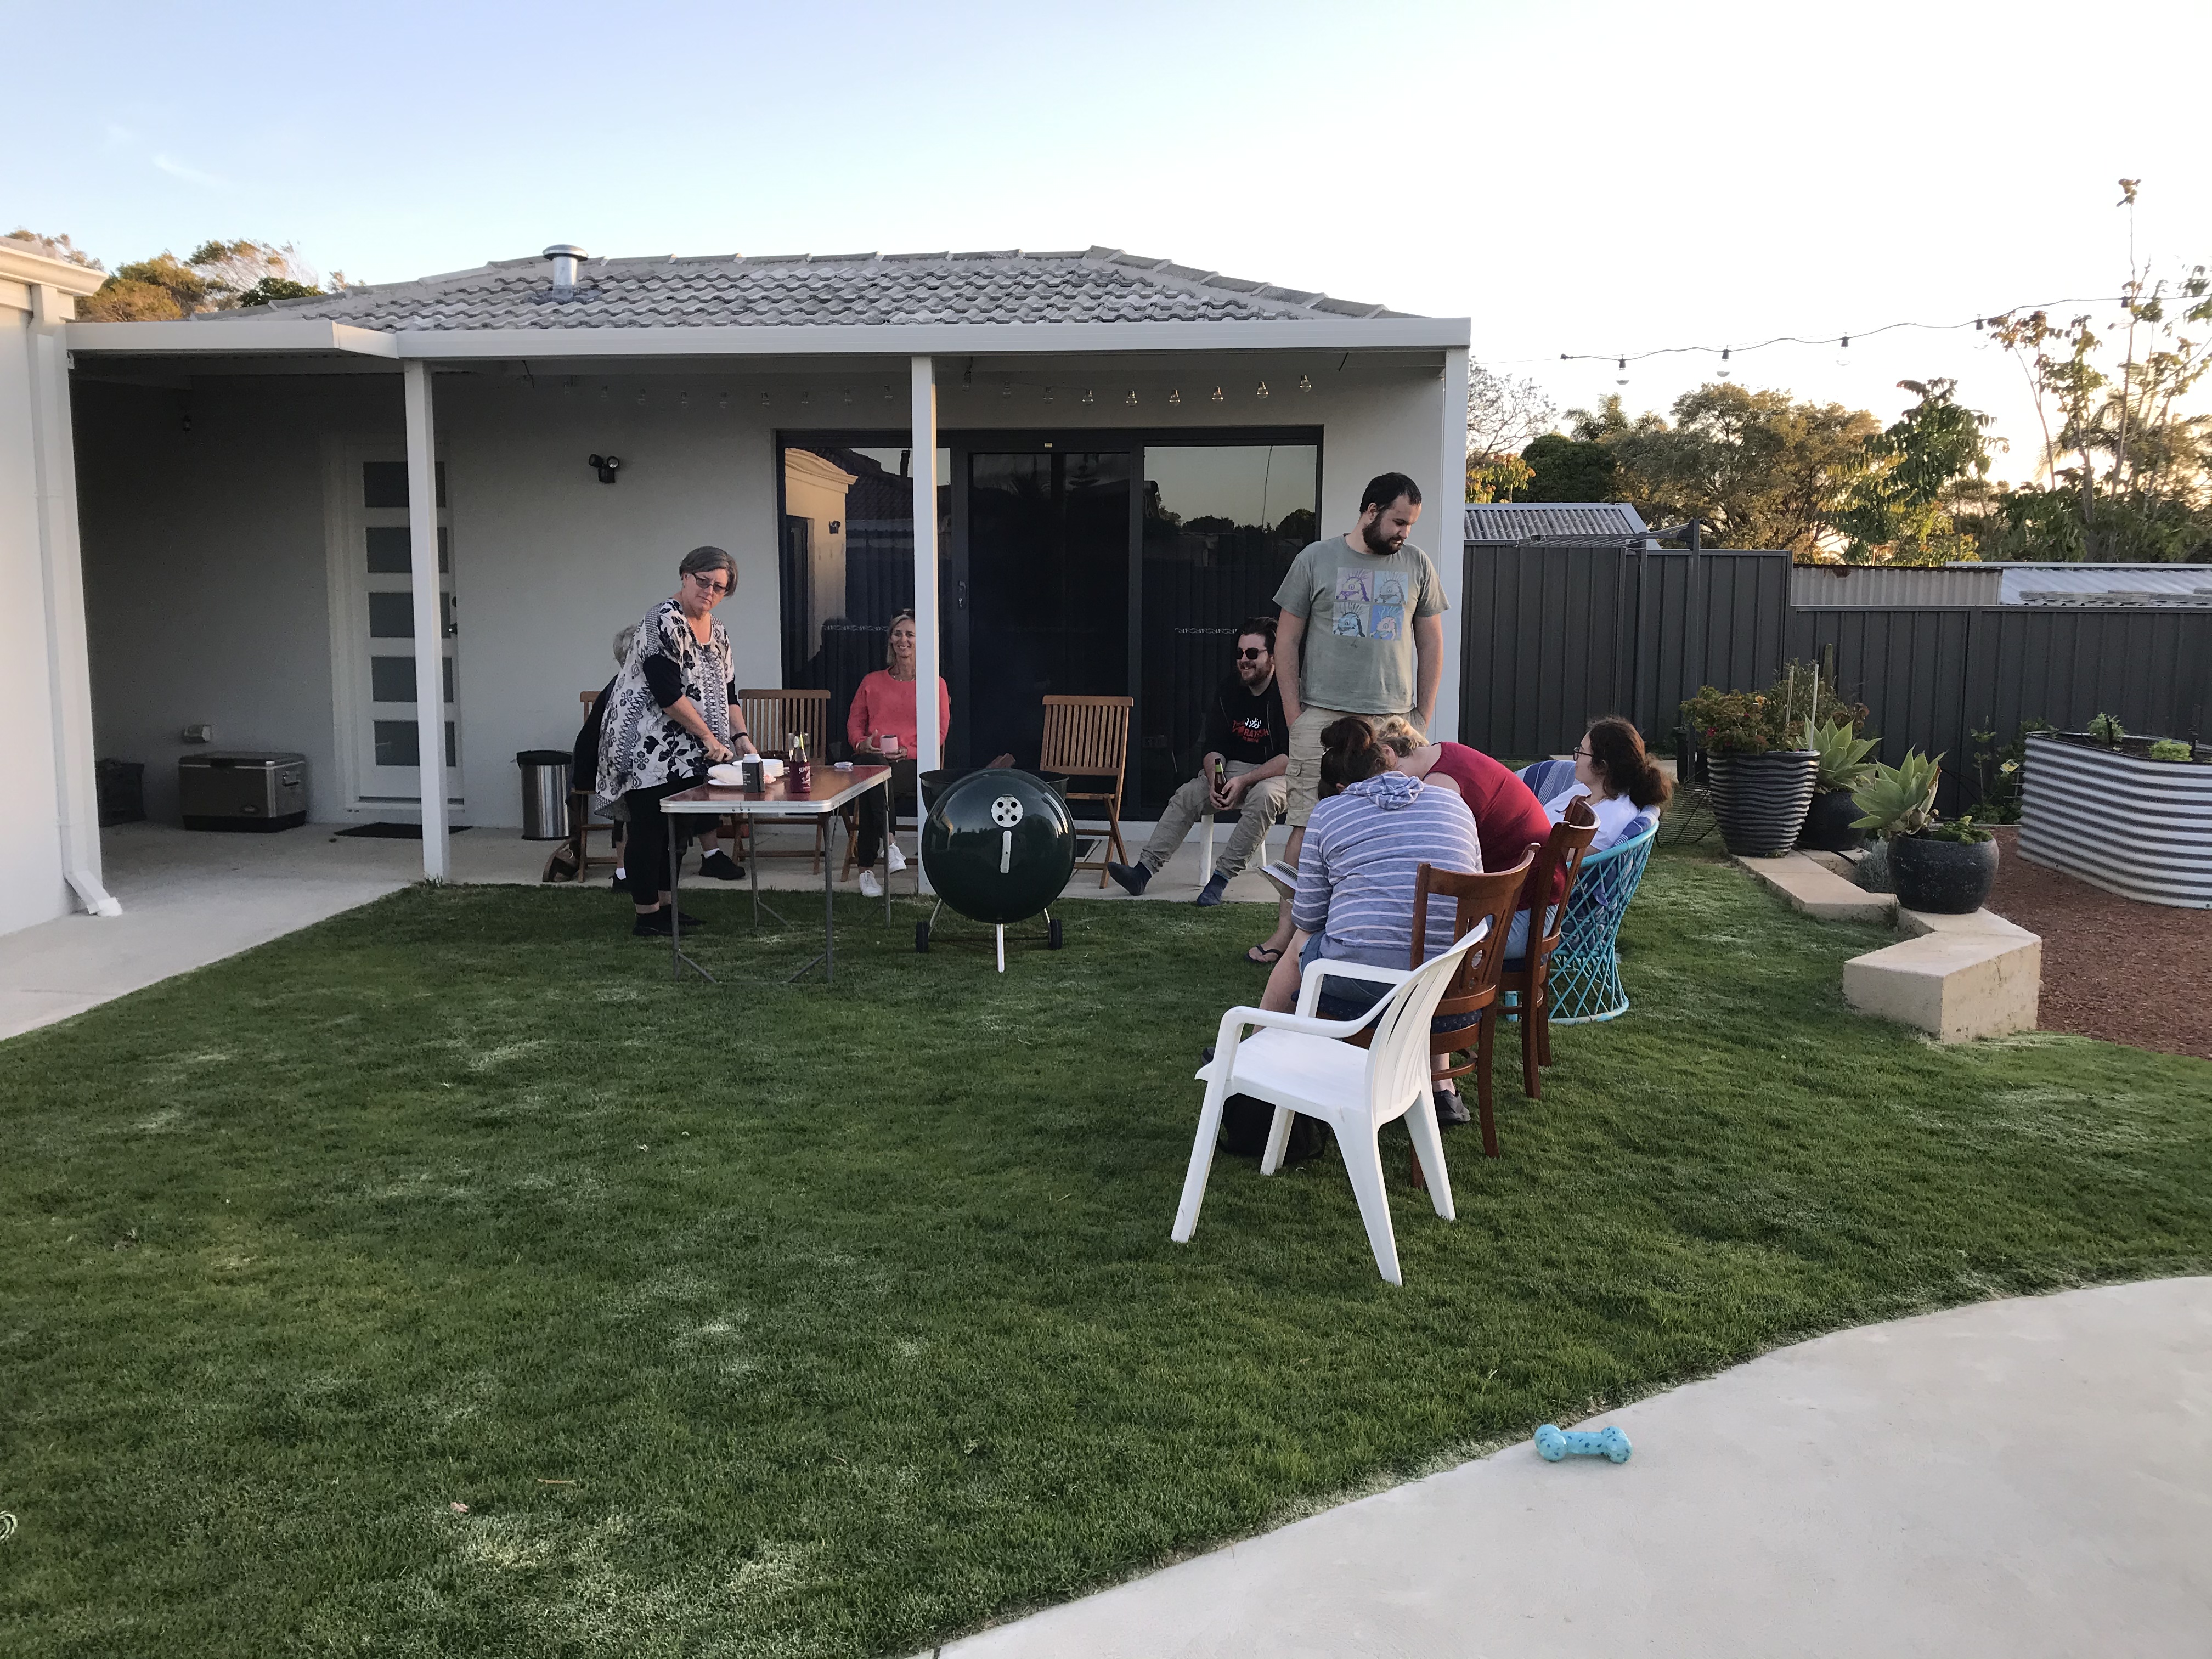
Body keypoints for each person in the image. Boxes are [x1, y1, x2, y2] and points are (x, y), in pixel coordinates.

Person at [1251, 471, 1448, 967]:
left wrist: (1421, 715)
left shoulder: (1417, 565)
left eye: (1411, 524)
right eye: (1399, 521)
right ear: (1371, 511)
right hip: (1322, 717)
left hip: (1393, 724)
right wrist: (1296, 716)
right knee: (1306, 824)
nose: (1405, 532)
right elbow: (1286, 640)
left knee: (1394, 826)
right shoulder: (1315, 559)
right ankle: (1288, 934)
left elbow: (1431, 643)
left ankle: (1380, 933)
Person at [1257, 715, 1484, 1123]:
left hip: (1369, 984)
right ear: (1389, 759)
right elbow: (1476, 894)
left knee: (1300, 944)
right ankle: (1442, 1089)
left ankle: (1259, 1056)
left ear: (1340, 788)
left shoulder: (1329, 813)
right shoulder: (1454, 804)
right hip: (1455, 986)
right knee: (1433, 940)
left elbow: (1308, 917)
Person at [596, 546, 758, 936]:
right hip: (646, 746)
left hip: (691, 751)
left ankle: (667, 907)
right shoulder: (662, 621)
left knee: (678, 833)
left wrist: (741, 737)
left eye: (720, 587)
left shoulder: (719, 632)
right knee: (650, 831)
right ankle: (647, 915)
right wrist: (708, 737)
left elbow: (729, 692)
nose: (710, 591)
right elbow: (668, 694)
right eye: (703, 581)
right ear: (685, 576)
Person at [1106, 617, 1289, 906]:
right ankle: (1142, 872)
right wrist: (1216, 780)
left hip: (1278, 773)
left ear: (1273, 656)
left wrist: (1245, 781)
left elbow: (1291, 757)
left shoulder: (1287, 693)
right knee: (1188, 794)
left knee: (1264, 797)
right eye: (1240, 653)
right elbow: (1213, 747)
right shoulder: (1229, 689)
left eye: (1253, 653)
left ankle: (1219, 880)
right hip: (1235, 768)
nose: (1244, 660)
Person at [845, 608, 951, 900]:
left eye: (910, 635)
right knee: (875, 770)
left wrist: (909, 750)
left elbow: (940, 733)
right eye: (898, 634)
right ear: (891, 639)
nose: (903, 640)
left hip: (911, 762)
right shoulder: (872, 681)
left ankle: (867, 870)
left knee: (875, 784)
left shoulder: (935, 684)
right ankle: (890, 843)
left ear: (920, 641)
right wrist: (862, 744)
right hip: (872, 758)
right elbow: (855, 724)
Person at [1543, 716, 1671, 853]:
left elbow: (1563, 859)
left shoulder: (1614, 816)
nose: (1576, 757)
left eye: (1581, 752)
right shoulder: (1580, 791)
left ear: (1602, 766)